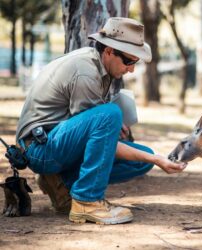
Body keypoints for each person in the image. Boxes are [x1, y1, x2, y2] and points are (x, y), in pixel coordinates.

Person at [15, 17, 186, 225]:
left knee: (142, 158)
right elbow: (98, 138)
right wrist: (158, 160)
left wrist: (149, 156)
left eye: (135, 62)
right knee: (111, 115)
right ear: (109, 51)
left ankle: (63, 184)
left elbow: (93, 139)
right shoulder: (86, 72)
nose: (131, 69)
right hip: (39, 150)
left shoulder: (100, 67)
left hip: (54, 143)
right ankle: (86, 200)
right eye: (129, 61)